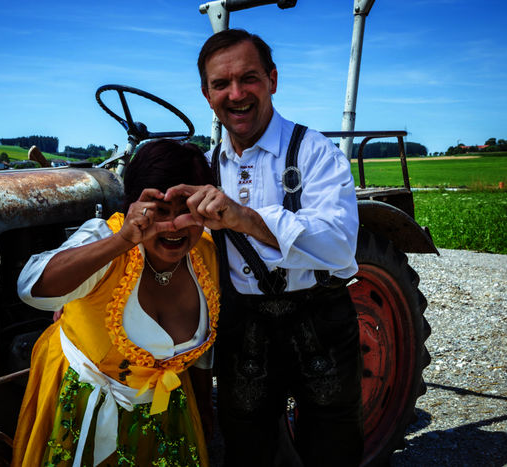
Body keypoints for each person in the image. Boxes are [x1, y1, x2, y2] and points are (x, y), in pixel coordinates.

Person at [166, 29, 363, 466]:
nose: (236, 94)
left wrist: (244, 218)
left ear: (273, 79)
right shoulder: (205, 166)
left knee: (333, 448)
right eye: (221, 84)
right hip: (245, 326)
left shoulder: (315, 153)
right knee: (248, 447)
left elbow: (340, 246)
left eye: (249, 78)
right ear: (206, 94)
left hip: (320, 320)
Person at [11, 139, 220, 467]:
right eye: (160, 211)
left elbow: (204, 349)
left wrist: (205, 406)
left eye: (188, 211)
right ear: (132, 207)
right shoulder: (106, 239)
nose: (175, 227)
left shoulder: (205, 254)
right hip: (81, 412)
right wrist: (122, 240)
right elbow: (30, 288)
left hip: (167, 412)